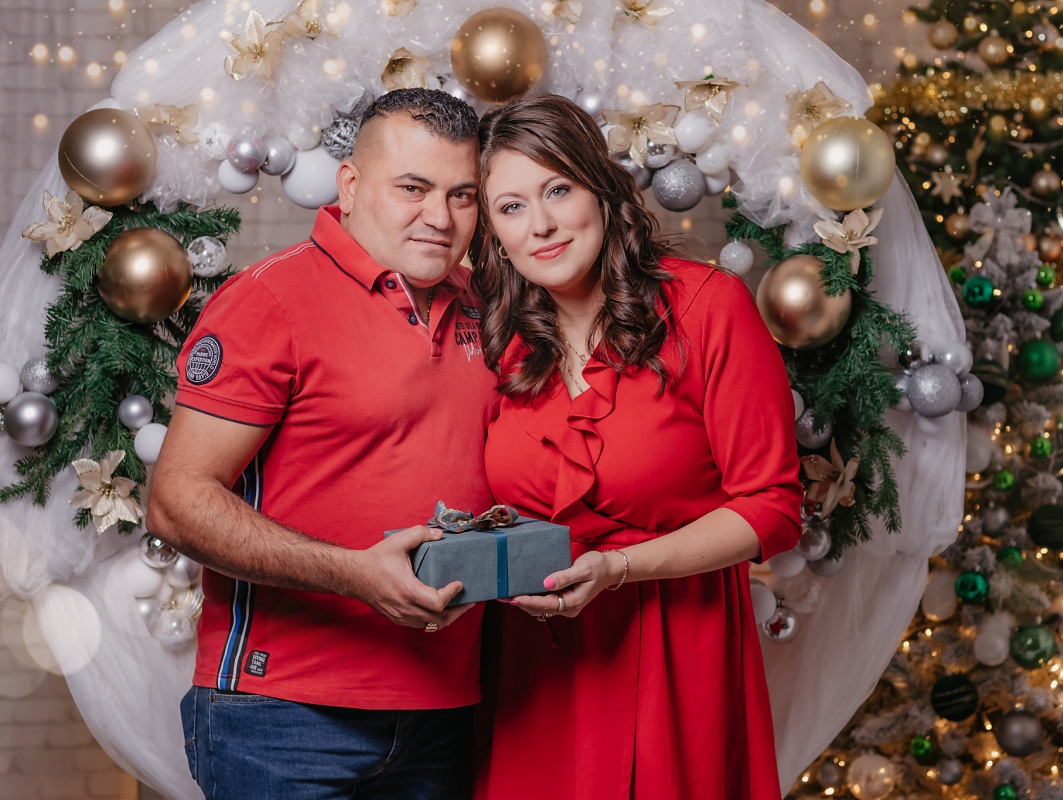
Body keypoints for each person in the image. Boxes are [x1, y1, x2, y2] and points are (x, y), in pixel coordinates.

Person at [145, 88, 496, 800]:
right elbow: (176, 503)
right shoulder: (269, 300)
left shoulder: (486, 304)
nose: (440, 217)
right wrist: (354, 574)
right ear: (351, 185)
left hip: (445, 706)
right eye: (413, 188)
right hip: (283, 717)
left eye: (462, 195)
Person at [469, 94, 804, 800]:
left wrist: (620, 567)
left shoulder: (708, 307)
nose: (542, 225)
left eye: (558, 190)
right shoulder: (498, 341)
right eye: (512, 207)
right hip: (534, 669)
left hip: (676, 649)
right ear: (493, 232)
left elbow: (772, 508)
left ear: (602, 189)